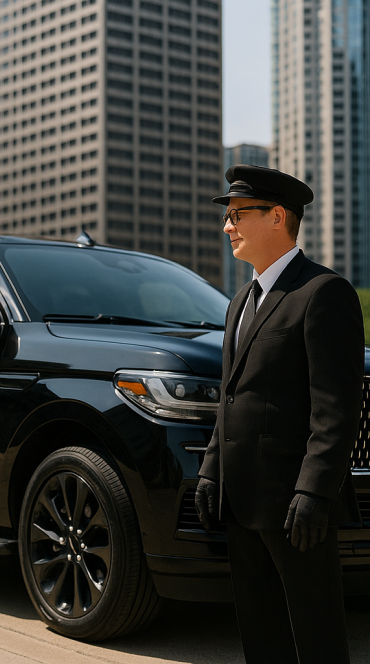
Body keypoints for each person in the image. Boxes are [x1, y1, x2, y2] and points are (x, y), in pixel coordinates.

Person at [194, 165, 363, 663]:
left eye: (238, 214)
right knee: (259, 629)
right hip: (241, 496)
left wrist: (314, 490)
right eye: (228, 216)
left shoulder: (323, 294)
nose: (228, 226)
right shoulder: (239, 302)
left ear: (277, 217)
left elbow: (335, 408)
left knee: (317, 632)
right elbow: (231, 397)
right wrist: (209, 472)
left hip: (295, 505)